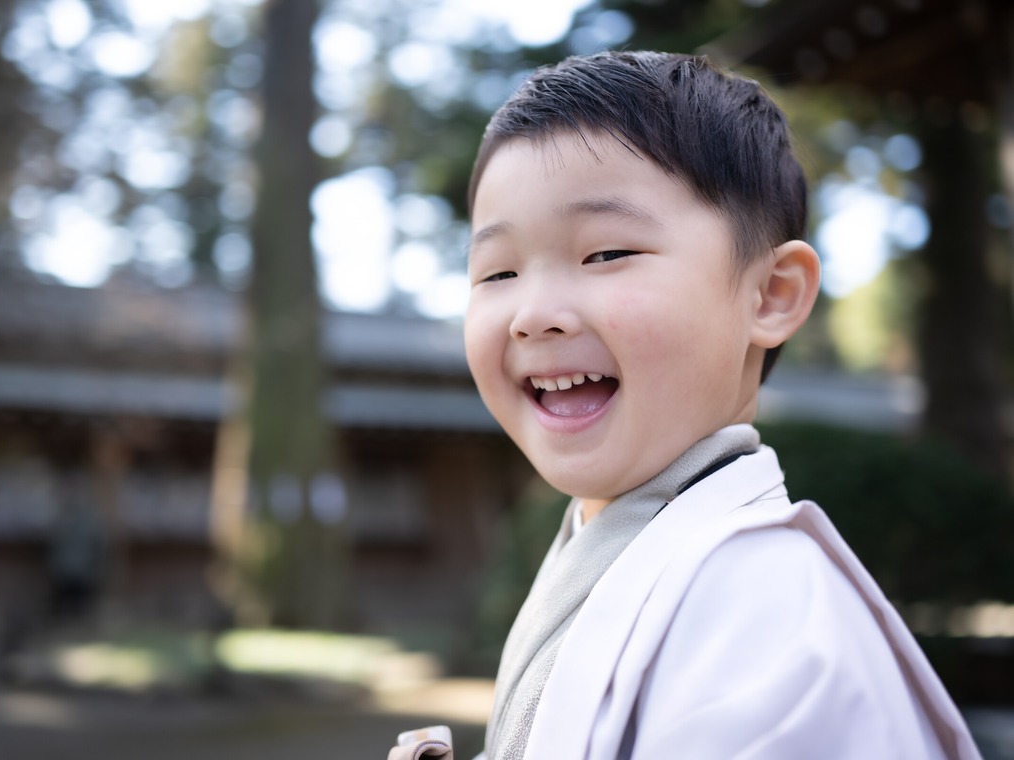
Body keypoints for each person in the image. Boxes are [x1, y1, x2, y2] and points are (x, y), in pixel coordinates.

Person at [388, 51, 980, 760]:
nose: (533, 314)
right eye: (499, 271)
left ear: (771, 294)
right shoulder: (618, 551)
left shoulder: (772, 623)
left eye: (606, 253)